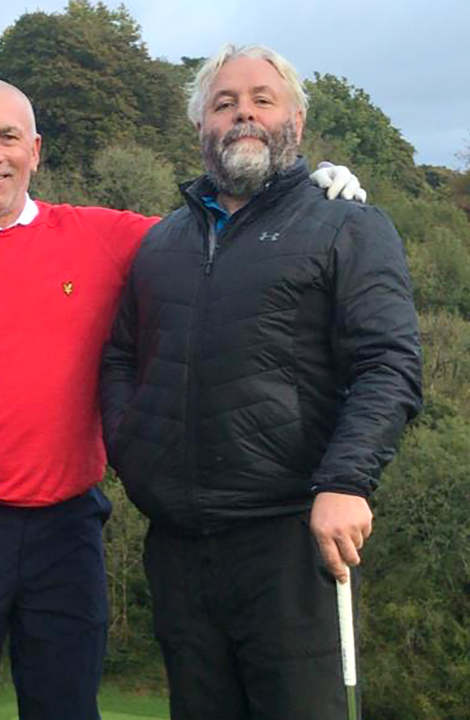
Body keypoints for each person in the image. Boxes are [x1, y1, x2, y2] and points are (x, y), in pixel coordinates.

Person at [0, 78, 363, 720]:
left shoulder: (98, 236)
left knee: (68, 705)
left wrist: (307, 194)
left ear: (35, 151)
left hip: (68, 524)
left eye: (8, 137)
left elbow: (220, 239)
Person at [100, 44, 423, 720]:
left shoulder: (349, 227)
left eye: (261, 99)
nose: (243, 112)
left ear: (296, 123)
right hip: (180, 550)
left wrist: (347, 480)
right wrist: (132, 450)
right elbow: (121, 356)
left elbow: (388, 364)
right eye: (224, 103)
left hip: (292, 544)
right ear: (201, 128)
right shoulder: (161, 244)